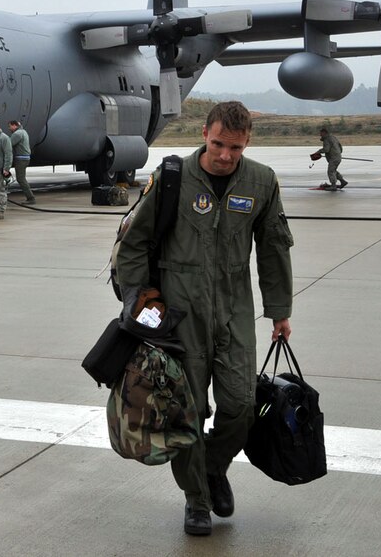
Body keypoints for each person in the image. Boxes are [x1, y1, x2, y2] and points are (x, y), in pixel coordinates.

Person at [114, 101, 293, 537]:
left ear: (247, 141)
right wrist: (139, 301)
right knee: (186, 413)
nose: (226, 155)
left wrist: (280, 310)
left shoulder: (262, 181)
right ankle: (196, 500)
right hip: (179, 314)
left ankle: (212, 467)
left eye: (235, 147)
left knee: (242, 406)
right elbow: (134, 243)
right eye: (218, 145)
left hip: (234, 310)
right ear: (204, 135)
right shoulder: (173, 177)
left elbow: (273, 247)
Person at [7, 120, 35, 204]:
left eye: (10, 126)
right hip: (25, 158)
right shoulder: (23, 132)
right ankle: (30, 197)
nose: (9, 128)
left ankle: (31, 198)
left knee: (21, 179)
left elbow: (9, 144)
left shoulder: (17, 134)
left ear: (14, 125)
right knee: (21, 178)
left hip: (21, 159)